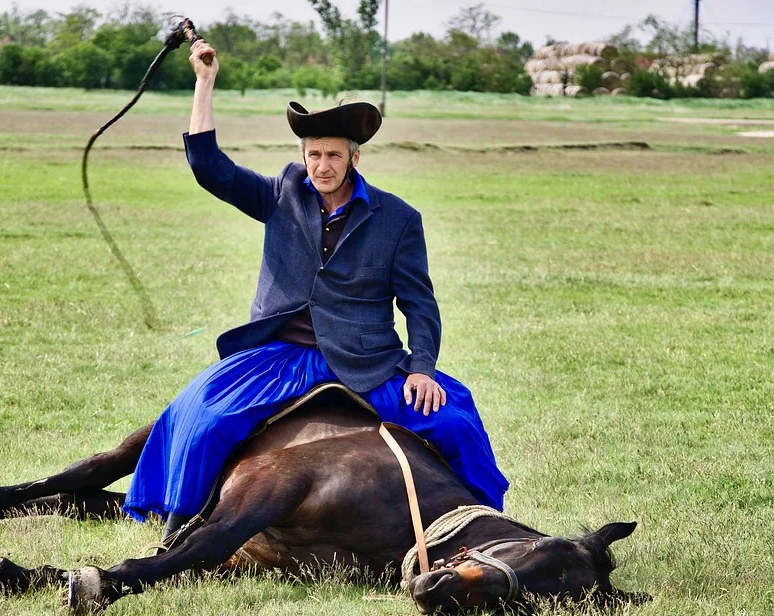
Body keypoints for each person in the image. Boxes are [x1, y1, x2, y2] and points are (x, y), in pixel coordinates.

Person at [123, 39, 509, 537]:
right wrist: (204, 82)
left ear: (355, 157)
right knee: (203, 417)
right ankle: (180, 524)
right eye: (312, 155)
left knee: (455, 422)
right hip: (279, 353)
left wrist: (422, 368)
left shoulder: (398, 219)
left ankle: (483, 525)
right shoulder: (280, 193)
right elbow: (209, 168)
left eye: (331, 155)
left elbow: (420, 304)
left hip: (368, 358)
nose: (321, 165)